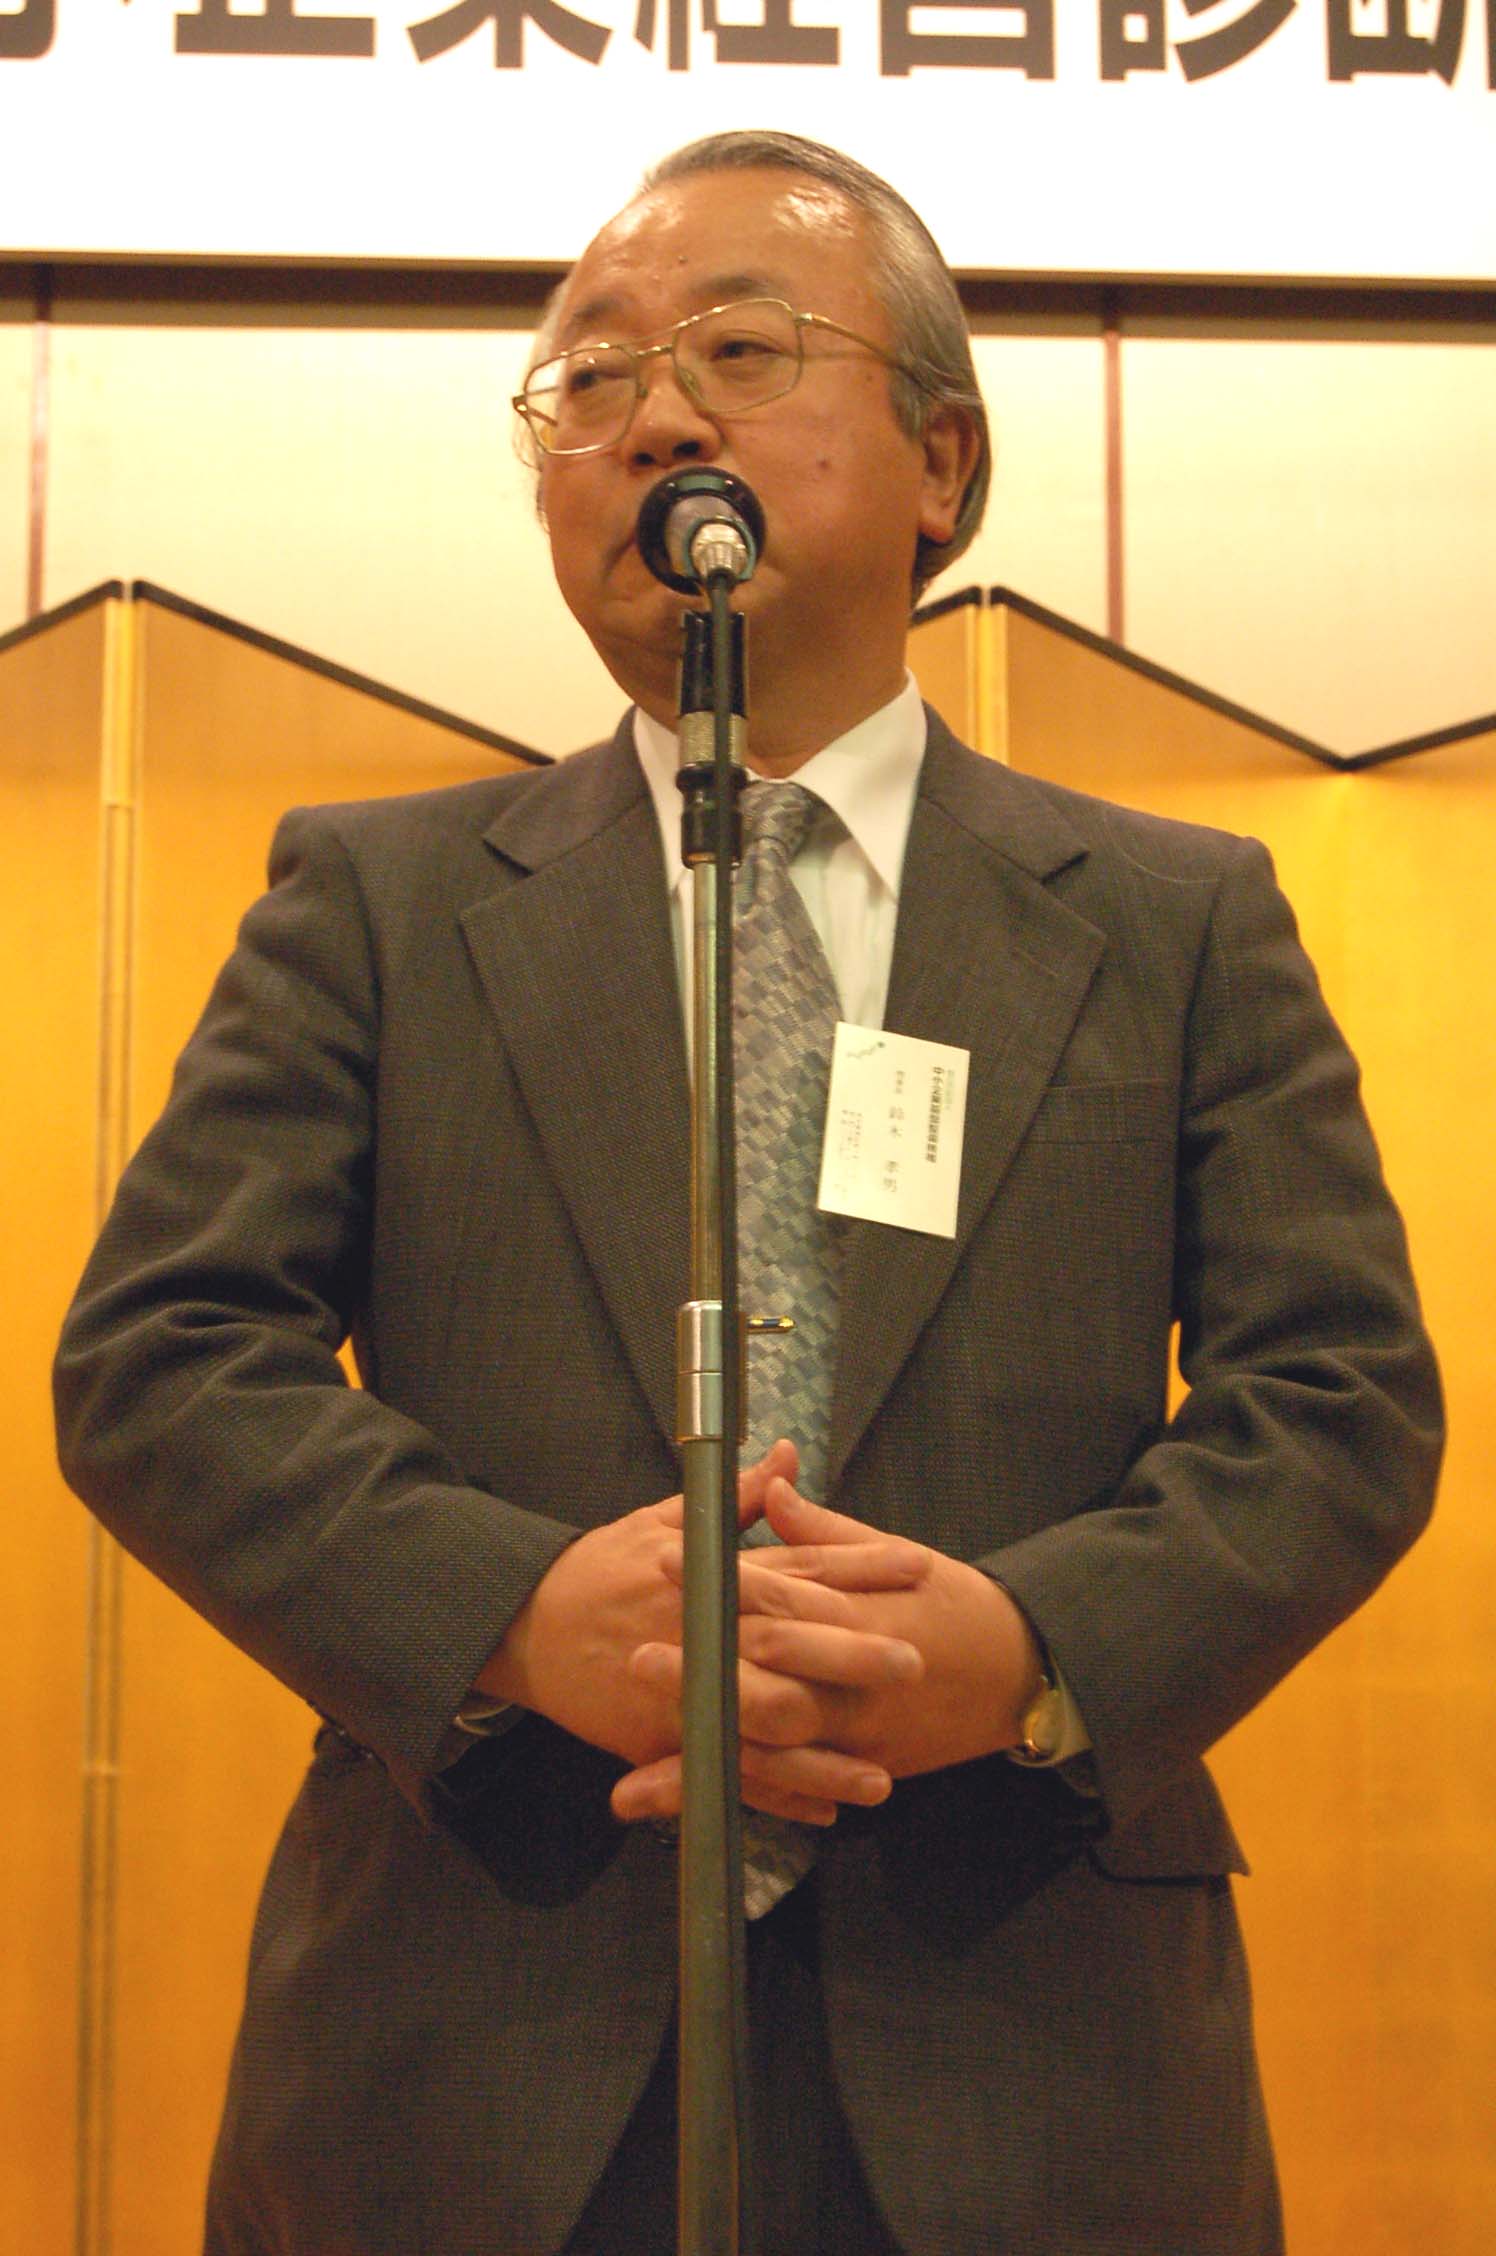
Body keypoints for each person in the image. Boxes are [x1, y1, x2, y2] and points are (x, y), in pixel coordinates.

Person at [54, 132, 1442, 2256]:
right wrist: (513, 1612)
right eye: (591, 377)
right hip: (477, 2006)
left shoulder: (1174, 920)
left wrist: (1032, 1649)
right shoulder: (377, 903)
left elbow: (1337, 1403)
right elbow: (164, 1357)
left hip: (1031, 2010)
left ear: (942, 461)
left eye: (739, 349)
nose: (653, 418)